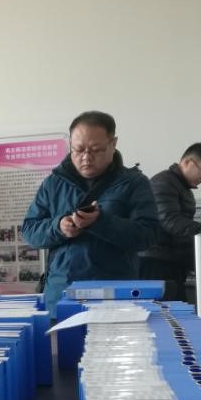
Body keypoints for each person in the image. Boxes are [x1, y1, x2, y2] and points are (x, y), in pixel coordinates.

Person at [22, 110, 160, 314]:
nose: (86, 157)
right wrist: (59, 227)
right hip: (61, 294)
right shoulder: (53, 183)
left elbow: (148, 235)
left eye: (96, 150)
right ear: (70, 144)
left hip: (114, 296)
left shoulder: (134, 183)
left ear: (113, 144)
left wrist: (101, 222)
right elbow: (29, 230)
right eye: (78, 150)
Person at [138, 142, 201, 300]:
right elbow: (170, 221)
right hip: (156, 263)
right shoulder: (163, 182)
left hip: (170, 261)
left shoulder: (180, 185)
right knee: (165, 312)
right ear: (187, 162)